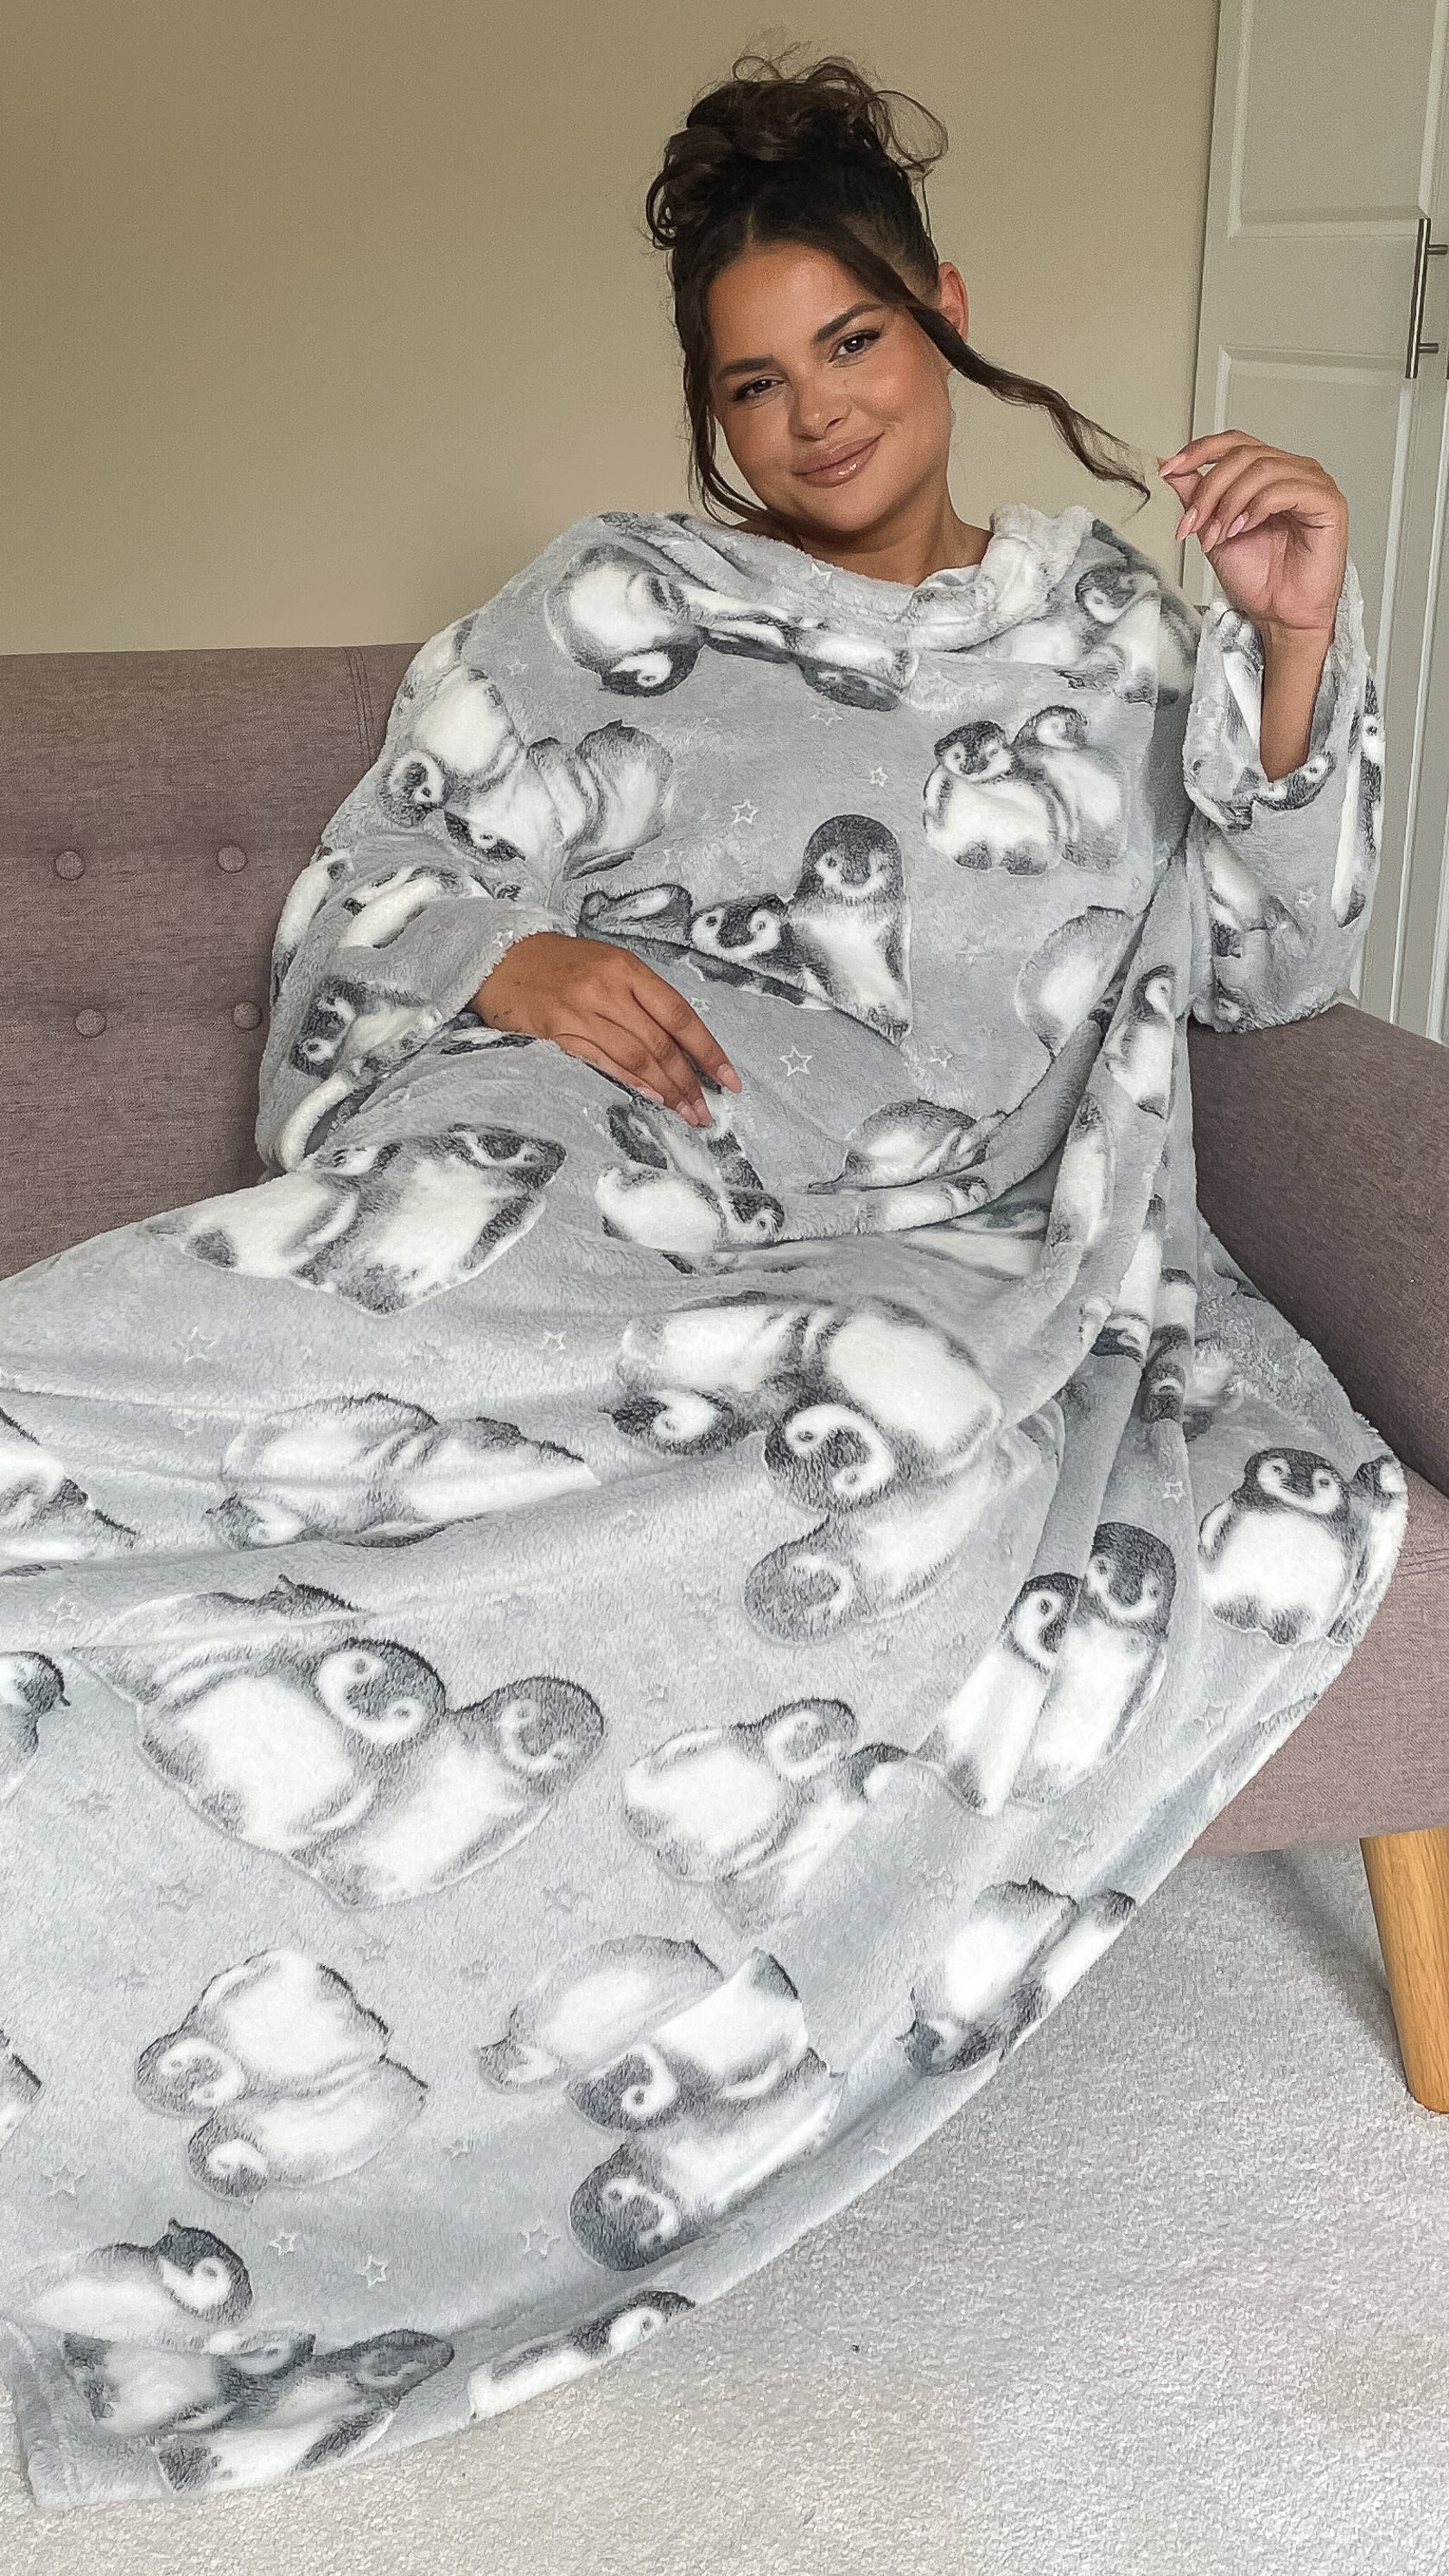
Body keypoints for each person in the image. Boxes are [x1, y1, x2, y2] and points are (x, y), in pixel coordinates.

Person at [0, 52, 1407, 2514]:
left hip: (927, 1233)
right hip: (585, 1148)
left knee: (881, 1424)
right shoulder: (615, 606)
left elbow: (1272, 967)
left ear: (942, 309)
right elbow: (376, 883)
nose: (813, 414)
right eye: (752, 383)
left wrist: (1290, 645)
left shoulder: (1110, 628)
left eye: (849, 344)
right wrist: (503, 957)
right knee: (181, 1360)